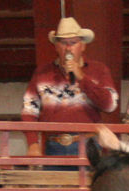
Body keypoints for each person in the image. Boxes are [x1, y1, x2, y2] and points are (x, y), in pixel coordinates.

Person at [21, 17, 118, 160]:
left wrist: (82, 78)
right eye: (63, 43)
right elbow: (29, 110)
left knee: (88, 183)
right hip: (53, 144)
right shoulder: (42, 73)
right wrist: (33, 143)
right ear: (56, 46)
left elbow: (110, 105)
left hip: (88, 144)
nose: (68, 47)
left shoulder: (99, 70)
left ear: (83, 46)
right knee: (53, 182)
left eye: (73, 43)